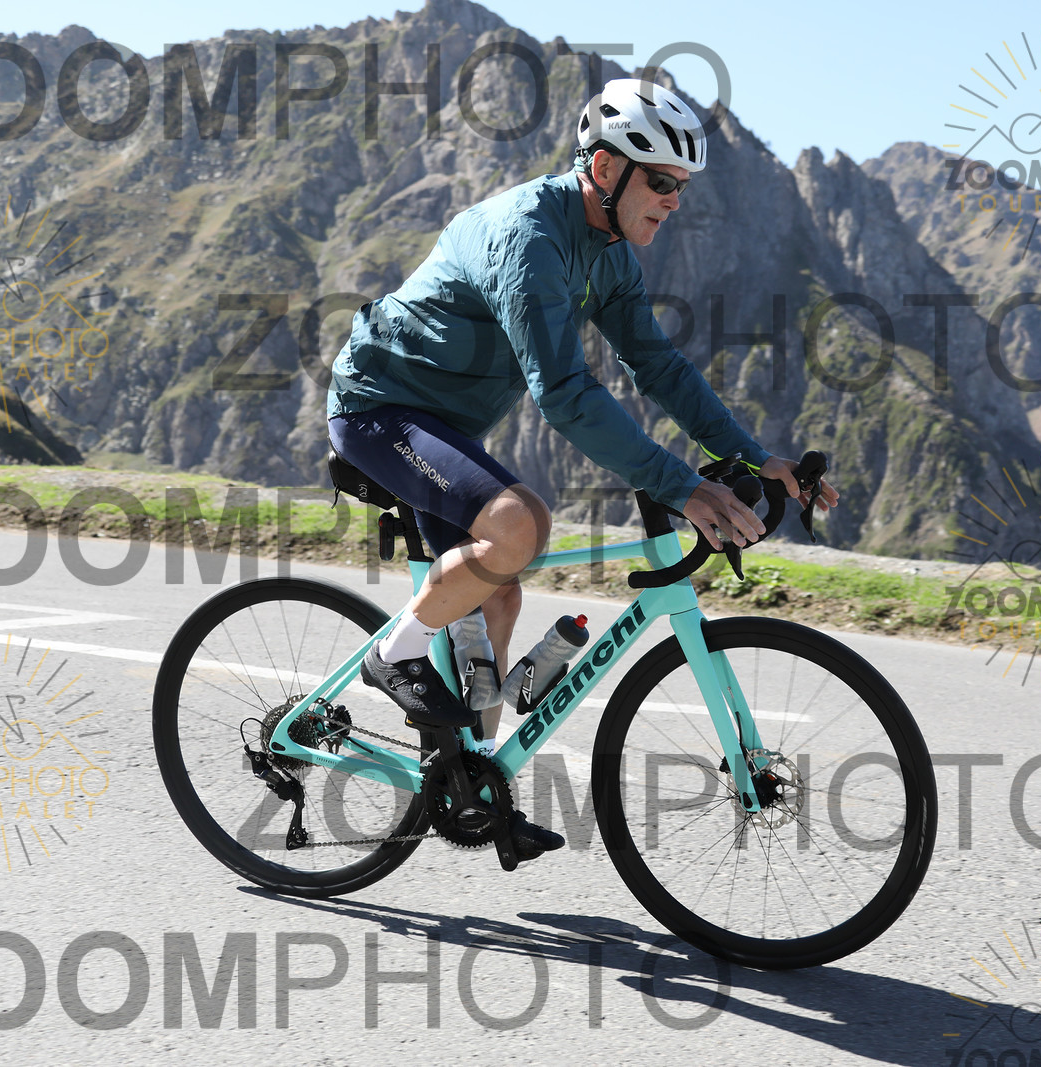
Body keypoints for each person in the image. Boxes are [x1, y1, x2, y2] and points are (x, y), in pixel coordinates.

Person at [327, 78, 838, 859]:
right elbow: (564, 394)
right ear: (605, 168)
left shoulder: (609, 252)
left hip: (444, 426)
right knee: (520, 526)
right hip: (379, 408)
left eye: (682, 187)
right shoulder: (530, 238)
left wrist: (752, 456)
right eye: (661, 181)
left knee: (497, 596)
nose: (673, 201)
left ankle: (471, 787)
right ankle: (390, 654)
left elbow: (658, 366)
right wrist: (682, 484)